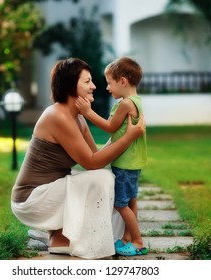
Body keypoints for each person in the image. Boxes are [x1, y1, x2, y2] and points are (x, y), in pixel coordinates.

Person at [11, 57, 146, 259]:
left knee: (107, 178)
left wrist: (124, 135)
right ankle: (64, 235)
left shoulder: (78, 117)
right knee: (102, 179)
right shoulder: (58, 115)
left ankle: (59, 236)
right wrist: (128, 138)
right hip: (32, 199)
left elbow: (97, 156)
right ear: (69, 86)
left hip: (51, 190)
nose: (93, 86)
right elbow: (92, 163)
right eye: (87, 82)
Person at [75, 57, 148, 256]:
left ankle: (138, 242)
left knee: (120, 204)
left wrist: (87, 112)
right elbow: (119, 134)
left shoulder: (125, 104)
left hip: (125, 163)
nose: (107, 88)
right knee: (131, 201)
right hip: (132, 161)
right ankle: (127, 238)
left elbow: (110, 127)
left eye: (110, 83)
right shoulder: (137, 101)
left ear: (122, 81)